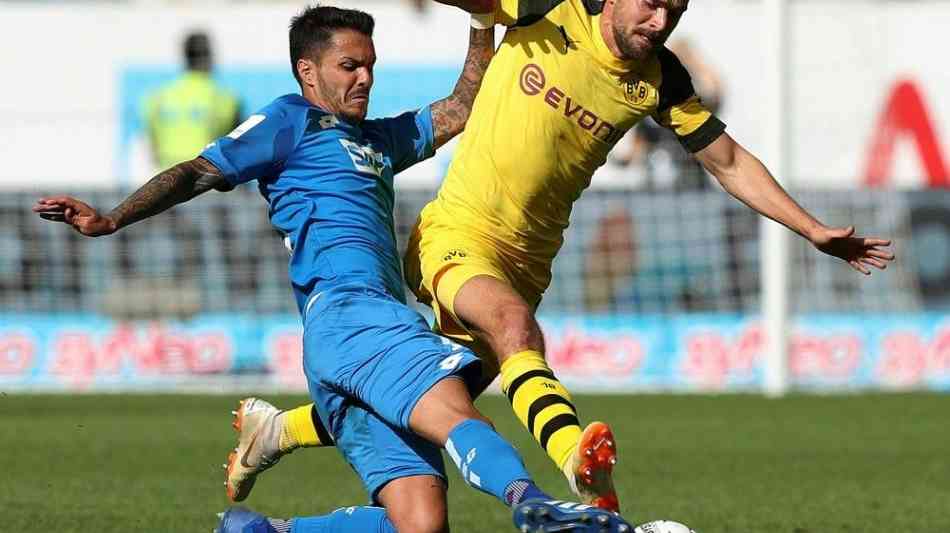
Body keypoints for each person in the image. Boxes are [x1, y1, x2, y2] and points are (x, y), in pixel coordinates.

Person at [241, 0, 896, 515]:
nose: (659, 21)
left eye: (676, 10)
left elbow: (725, 160)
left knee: (435, 398)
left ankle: (279, 435)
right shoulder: (545, 8)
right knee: (515, 328)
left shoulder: (659, 78)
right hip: (455, 237)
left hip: (529, 263)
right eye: (649, 4)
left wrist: (810, 228)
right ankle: (576, 456)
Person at [33, 5, 636, 533]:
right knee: (457, 410)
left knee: (421, 523)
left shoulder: (375, 140)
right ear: (308, 71)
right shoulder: (290, 120)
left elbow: (458, 110)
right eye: (350, 66)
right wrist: (112, 218)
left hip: (346, 342)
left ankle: (263, 529)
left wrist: (483, 22)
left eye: (370, 65)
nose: (365, 77)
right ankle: (532, 504)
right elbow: (197, 171)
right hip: (353, 315)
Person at [144, 30, 242, 169]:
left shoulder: (158, 96)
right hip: (206, 180)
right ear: (210, 56)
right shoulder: (225, 97)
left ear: (184, 56)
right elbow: (237, 148)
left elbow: (153, 146)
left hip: (166, 180)